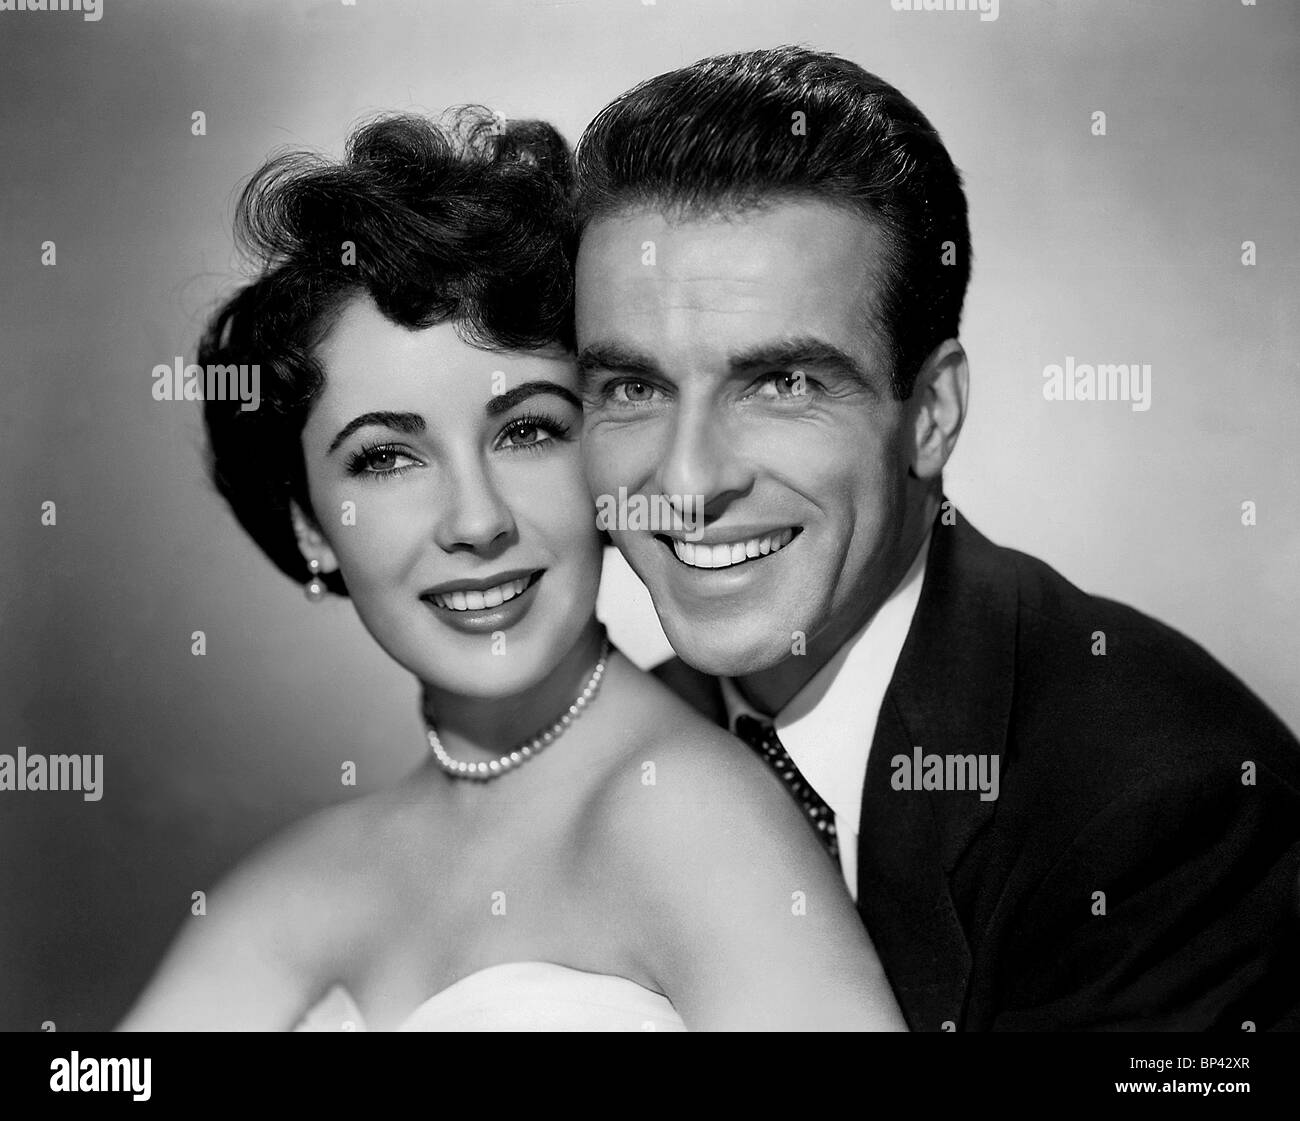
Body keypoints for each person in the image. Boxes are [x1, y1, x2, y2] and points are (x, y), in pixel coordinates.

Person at [114, 109, 904, 1032]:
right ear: (310, 525)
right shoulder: (288, 889)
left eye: (527, 430)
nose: (478, 520)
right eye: (385, 458)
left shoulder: (691, 818)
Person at [572, 46, 1300, 1031]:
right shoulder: (609, 759)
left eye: (782, 384)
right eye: (631, 388)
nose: (689, 483)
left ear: (931, 412)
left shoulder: (1163, 799)